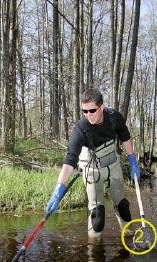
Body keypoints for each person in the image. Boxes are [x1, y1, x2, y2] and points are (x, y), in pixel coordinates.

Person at [45, 88, 140, 241]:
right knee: (98, 214)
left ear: (101, 107)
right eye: (84, 111)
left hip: (113, 165)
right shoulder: (81, 128)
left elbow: (126, 137)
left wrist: (132, 160)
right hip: (92, 169)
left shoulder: (114, 118)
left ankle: (129, 238)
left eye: (92, 110)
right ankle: (94, 249)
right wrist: (58, 189)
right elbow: (70, 161)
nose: (88, 115)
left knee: (122, 206)